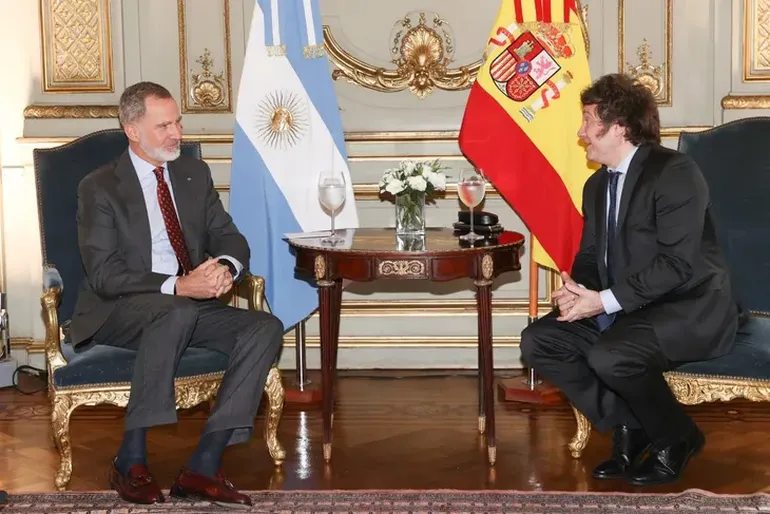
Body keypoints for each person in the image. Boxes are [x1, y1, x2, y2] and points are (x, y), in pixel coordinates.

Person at [70, 81, 284, 506]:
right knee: (176, 311)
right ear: (132, 130)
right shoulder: (100, 187)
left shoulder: (192, 174)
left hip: (184, 305)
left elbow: (230, 237)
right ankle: (130, 460)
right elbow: (104, 274)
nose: (177, 134)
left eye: (178, 122)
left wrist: (225, 268)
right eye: (163, 125)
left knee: (265, 328)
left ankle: (204, 465)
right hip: (120, 309)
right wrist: (179, 286)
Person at [520, 73, 739, 486]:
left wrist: (601, 302)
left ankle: (678, 437)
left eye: (587, 120)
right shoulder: (596, 185)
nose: (580, 133)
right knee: (539, 341)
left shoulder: (673, 172)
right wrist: (577, 292)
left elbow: (677, 265)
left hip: (688, 307)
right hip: (627, 307)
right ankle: (632, 424)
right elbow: (590, 257)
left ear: (618, 126)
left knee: (612, 354)